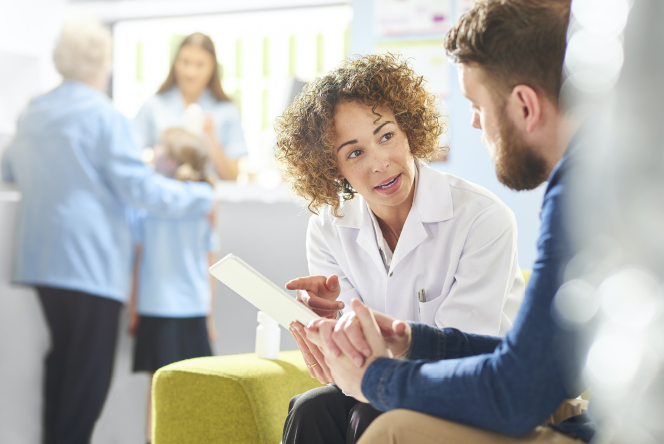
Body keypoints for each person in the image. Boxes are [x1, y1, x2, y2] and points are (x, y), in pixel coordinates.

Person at [303, 1, 597, 443]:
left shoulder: (577, 195)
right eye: (355, 151)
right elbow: (537, 360)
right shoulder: (596, 180)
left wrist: (378, 378)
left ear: (524, 105)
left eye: (476, 105)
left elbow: (517, 389)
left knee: (389, 428)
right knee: (312, 410)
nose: (475, 123)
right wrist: (410, 340)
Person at [274, 53, 525, 444]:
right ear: (333, 168)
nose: (381, 163)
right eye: (355, 152)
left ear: (408, 130)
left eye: (386, 135)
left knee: (371, 414)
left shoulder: (482, 217)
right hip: (377, 385)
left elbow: (457, 353)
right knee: (309, 409)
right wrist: (325, 332)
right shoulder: (328, 227)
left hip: (470, 390)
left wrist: (359, 353)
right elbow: (348, 364)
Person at [0, 18, 214, 444]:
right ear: (102, 62)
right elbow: (139, 188)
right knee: (88, 375)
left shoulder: (34, 110)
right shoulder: (104, 115)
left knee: (63, 363)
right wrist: (200, 198)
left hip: (41, 261)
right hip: (90, 264)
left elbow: (9, 169)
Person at [128, 128, 219, 444]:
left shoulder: (147, 201)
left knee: (159, 389)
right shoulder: (205, 198)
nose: (153, 152)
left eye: (160, 150)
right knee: (187, 388)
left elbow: (138, 261)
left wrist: (133, 310)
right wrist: (208, 315)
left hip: (156, 305)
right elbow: (210, 261)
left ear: (173, 160)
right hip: (191, 304)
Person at [133, 32, 247, 181]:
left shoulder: (227, 111)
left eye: (200, 65)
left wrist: (211, 139)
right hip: (164, 197)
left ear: (213, 68)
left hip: (208, 200)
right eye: (185, 62)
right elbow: (131, 159)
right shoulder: (153, 106)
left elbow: (233, 177)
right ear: (175, 63)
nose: (190, 72)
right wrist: (156, 160)